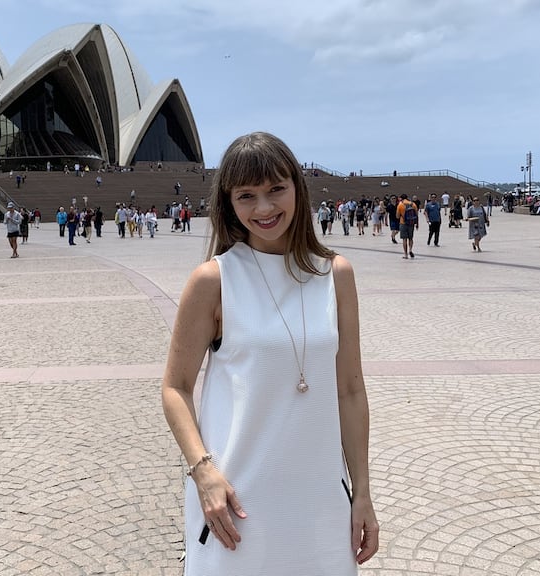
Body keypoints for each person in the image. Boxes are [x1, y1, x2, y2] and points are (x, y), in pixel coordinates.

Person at [161, 132, 378, 575]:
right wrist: (203, 472)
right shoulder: (214, 280)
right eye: (247, 195)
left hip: (320, 497)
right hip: (235, 499)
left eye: (276, 189)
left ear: (297, 187)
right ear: (229, 202)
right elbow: (175, 388)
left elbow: (351, 391)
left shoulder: (335, 275)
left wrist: (363, 494)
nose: (264, 208)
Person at [396, 194, 418, 259]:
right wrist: (417, 224)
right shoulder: (413, 204)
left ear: (401, 198)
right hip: (411, 223)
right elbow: (416, 215)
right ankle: (410, 250)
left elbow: (397, 216)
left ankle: (406, 254)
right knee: (410, 238)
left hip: (403, 223)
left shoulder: (400, 205)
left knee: (404, 239)